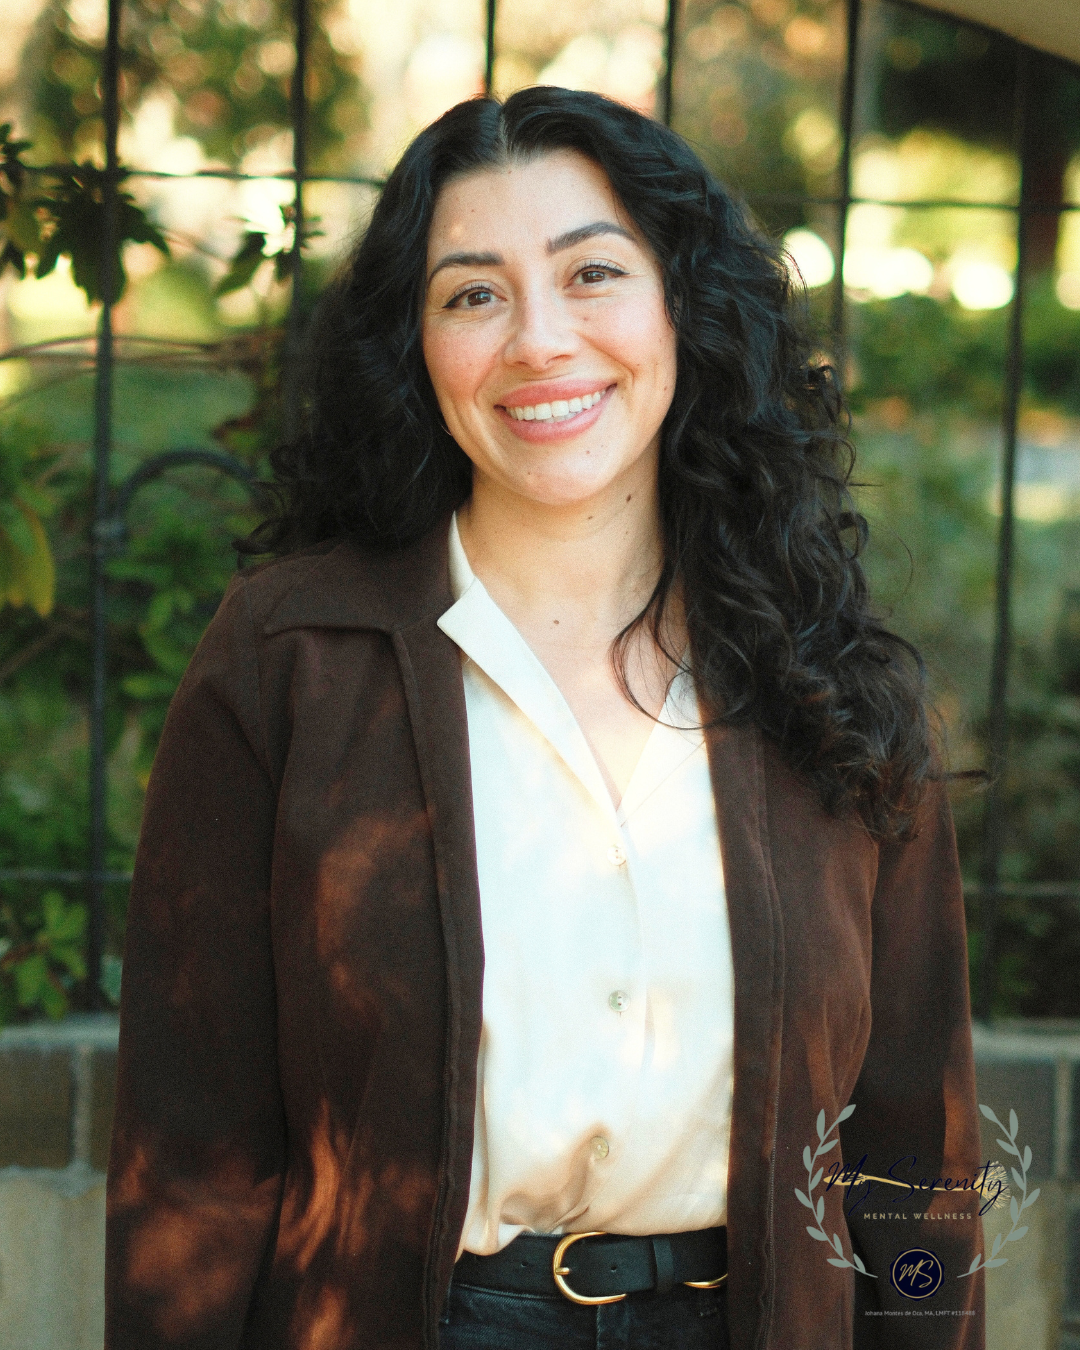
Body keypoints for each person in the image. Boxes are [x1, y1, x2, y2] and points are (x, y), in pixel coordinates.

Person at [105, 87, 985, 1350]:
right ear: (414, 346)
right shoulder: (289, 660)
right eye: (474, 293)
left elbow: (917, 1158)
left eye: (593, 274)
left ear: (683, 306)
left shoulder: (829, 674)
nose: (541, 341)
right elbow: (193, 1156)